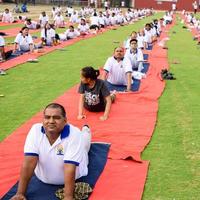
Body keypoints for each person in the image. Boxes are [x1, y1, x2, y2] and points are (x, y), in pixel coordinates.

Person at [10, 103, 91, 200]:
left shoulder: (74, 134)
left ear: (65, 120)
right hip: (42, 178)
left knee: (85, 146)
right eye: (47, 117)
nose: (51, 121)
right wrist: (20, 193)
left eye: (56, 117)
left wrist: (68, 197)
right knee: (81, 143)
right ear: (43, 120)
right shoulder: (35, 130)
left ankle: (86, 130)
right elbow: (29, 162)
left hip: (78, 173)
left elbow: (70, 167)